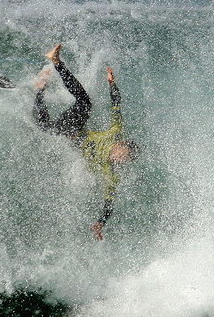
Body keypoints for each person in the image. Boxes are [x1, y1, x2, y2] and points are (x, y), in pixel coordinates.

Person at [33, 44, 139, 241]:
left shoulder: (111, 173)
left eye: (120, 161)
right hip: (74, 128)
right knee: (85, 103)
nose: (116, 158)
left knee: (44, 127)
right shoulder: (115, 133)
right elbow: (116, 106)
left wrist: (101, 223)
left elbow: (109, 202)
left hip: (66, 142)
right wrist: (111, 84)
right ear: (120, 145)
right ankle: (56, 61)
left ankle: (38, 90)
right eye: (119, 154)